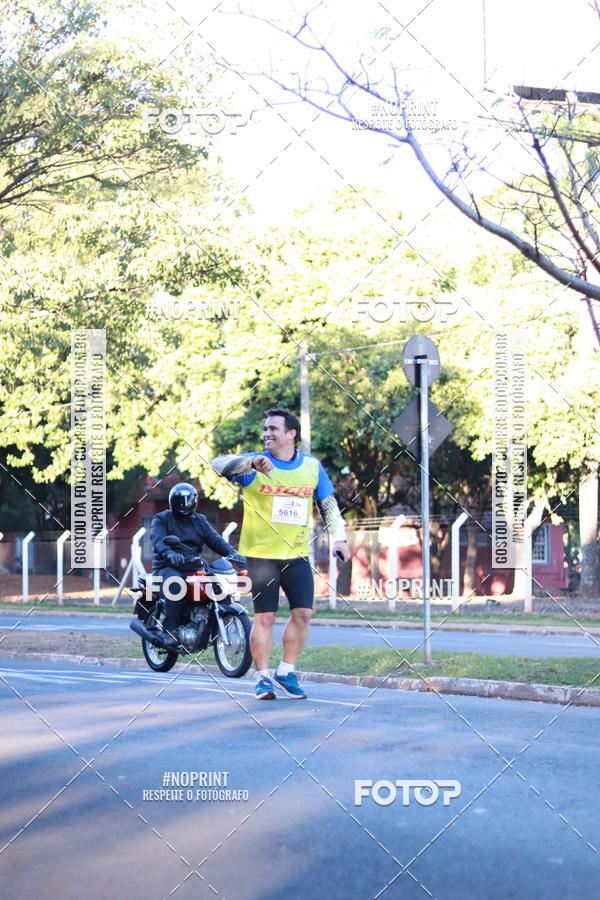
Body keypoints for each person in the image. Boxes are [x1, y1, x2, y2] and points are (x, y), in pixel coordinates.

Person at [212, 408, 351, 700]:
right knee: (265, 617)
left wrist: (339, 538)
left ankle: (285, 671)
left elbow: (328, 504)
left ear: (291, 434)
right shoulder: (253, 465)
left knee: (303, 614)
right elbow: (217, 463)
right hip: (261, 555)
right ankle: (262, 678)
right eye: (265, 428)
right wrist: (250, 462)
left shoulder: (312, 467)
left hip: (296, 554)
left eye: (274, 428)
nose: (267, 433)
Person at [150, 482, 245, 649]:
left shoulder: (200, 520)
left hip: (193, 567)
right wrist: (169, 553)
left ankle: (203, 624)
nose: (185, 504)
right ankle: (169, 630)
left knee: (215, 587)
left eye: (188, 500)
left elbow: (215, 541)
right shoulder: (162, 519)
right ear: (173, 501)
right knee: (175, 584)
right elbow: (157, 541)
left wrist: (234, 554)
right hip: (167, 567)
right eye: (181, 501)